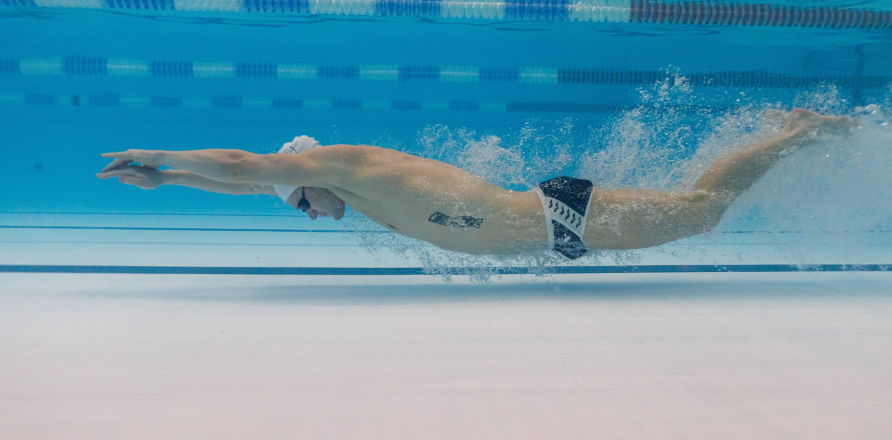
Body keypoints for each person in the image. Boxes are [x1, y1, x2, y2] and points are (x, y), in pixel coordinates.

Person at [96, 109, 852, 259]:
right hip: (558, 233)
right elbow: (242, 187)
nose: (314, 216)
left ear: (305, 176)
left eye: (303, 208)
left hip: (556, 216)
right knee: (698, 212)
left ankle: (796, 133)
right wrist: (173, 183)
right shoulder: (349, 193)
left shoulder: (344, 166)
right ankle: (788, 133)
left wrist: (160, 152)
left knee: (702, 211)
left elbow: (244, 166)